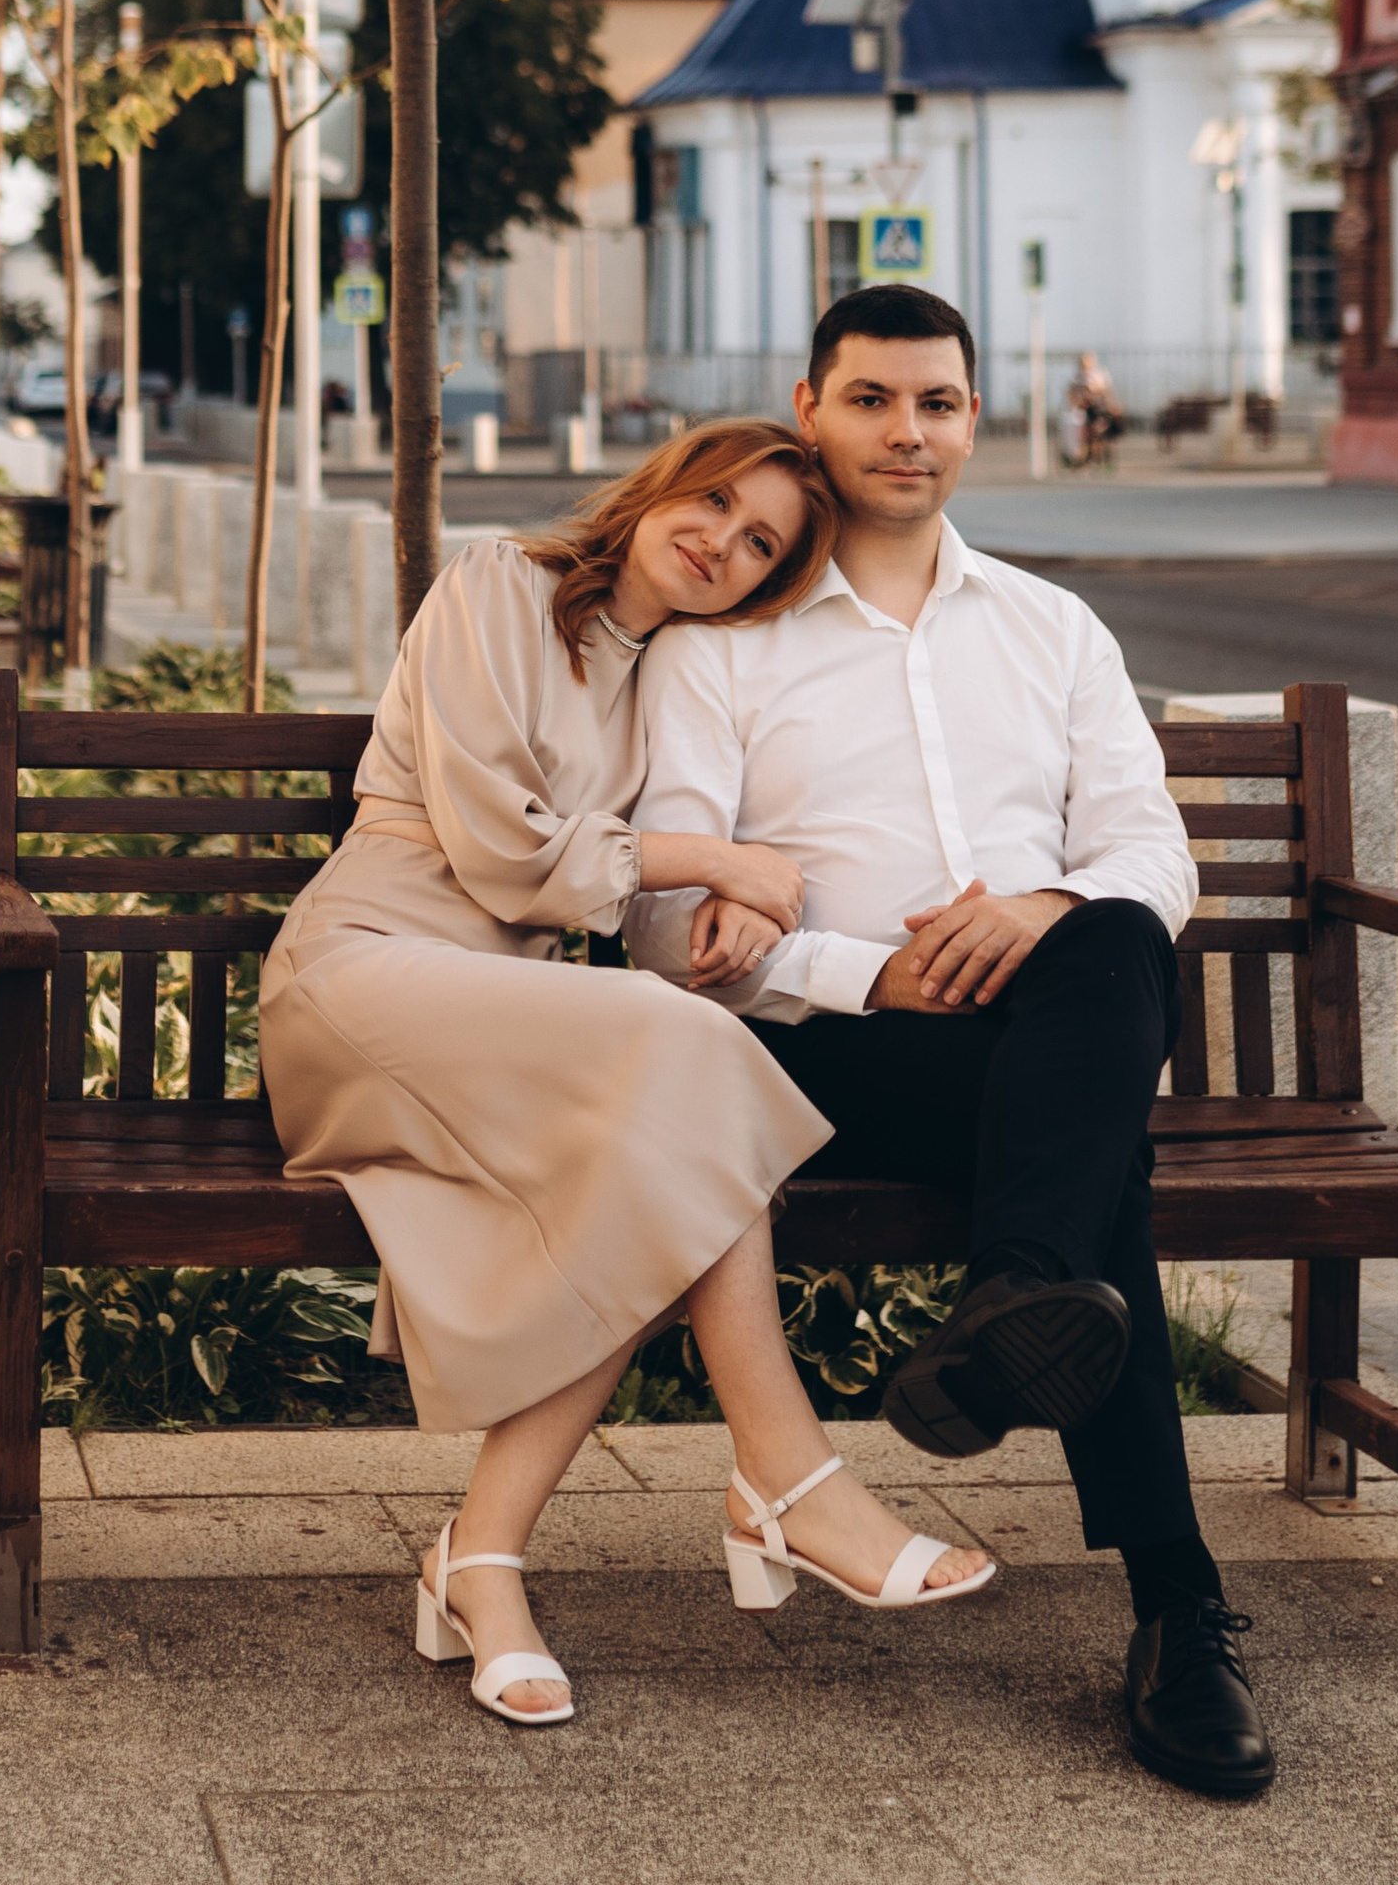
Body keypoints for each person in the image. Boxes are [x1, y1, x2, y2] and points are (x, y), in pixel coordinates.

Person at [627, 288, 1275, 1803]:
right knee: (1095, 1151)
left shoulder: (1053, 630)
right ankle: (1176, 1605)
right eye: (871, 400)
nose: (905, 431)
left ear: (976, 417)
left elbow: (1152, 858)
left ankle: (1020, 1301)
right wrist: (877, 973)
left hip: (1043, 1048)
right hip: (823, 1066)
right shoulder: (725, 646)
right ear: (811, 408)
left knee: (1114, 934)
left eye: (936, 402)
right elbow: (666, 931)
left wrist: (1045, 906)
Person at [259, 414, 995, 1735]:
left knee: (656, 1163)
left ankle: (480, 1564)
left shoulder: (675, 680)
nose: (723, 542)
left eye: (762, 543)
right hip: (363, 979)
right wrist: (718, 867)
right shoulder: (497, 587)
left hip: (510, 1023)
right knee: (689, 1075)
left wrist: (744, 912)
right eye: (712, 504)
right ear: (659, 490)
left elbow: (664, 905)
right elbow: (503, 849)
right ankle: (783, 1472)